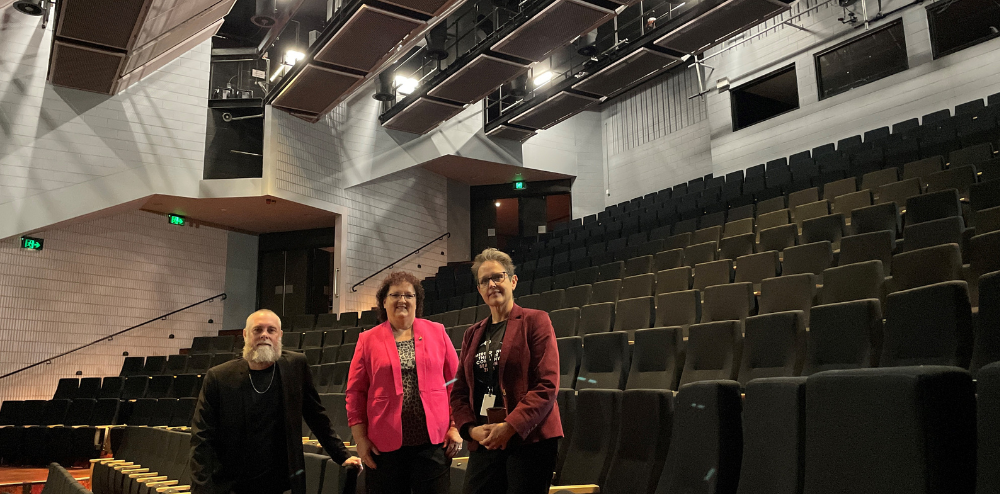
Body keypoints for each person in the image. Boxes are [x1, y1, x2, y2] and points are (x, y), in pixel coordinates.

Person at [190, 309, 361, 494]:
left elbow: (316, 416)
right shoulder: (218, 377)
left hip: (281, 484)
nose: (264, 335)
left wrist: (342, 455)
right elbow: (201, 438)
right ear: (246, 335)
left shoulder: (295, 366)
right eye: (257, 330)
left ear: (279, 335)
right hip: (233, 484)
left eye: (271, 330)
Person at [451, 248, 562, 494]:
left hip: (529, 440)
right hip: (486, 440)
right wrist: (470, 430)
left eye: (497, 277)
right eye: (484, 281)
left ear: (512, 280)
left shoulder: (536, 321)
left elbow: (547, 384)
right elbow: (459, 391)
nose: (491, 284)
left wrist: (510, 426)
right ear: (479, 290)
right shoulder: (472, 333)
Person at [346, 271, 462, 494]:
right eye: (395, 295)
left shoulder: (437, 332)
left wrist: (455, 426)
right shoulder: (367, 339)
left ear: (417, 301)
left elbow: (457, 382)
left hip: (433, 444)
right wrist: (360, 439)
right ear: (384, 301)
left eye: (409, 295)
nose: (402, 300)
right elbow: (355, 392)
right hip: (384, 447)